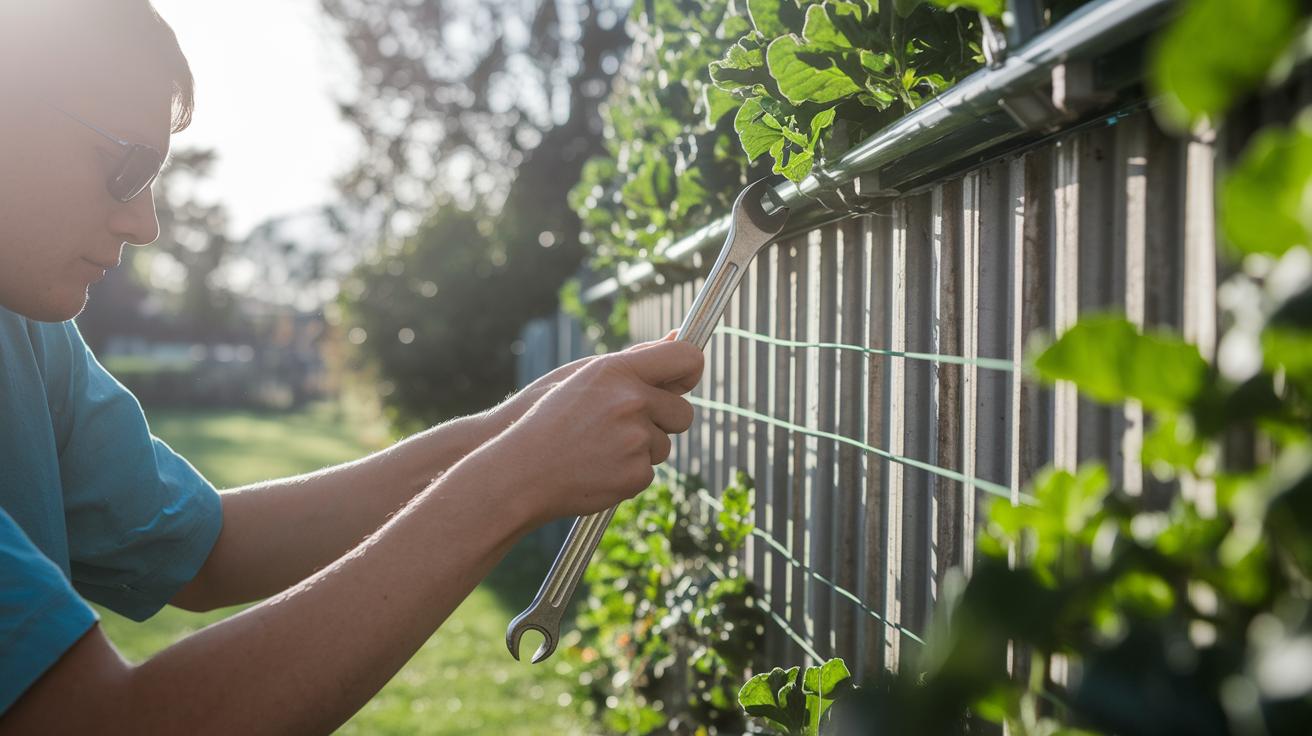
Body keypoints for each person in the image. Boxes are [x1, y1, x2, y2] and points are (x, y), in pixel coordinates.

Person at [0, 1, 703, 731]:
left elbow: (208, 552)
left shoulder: (24, 327)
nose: (144, 223)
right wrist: (510, 482)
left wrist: (507, 433)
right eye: (126, 166)